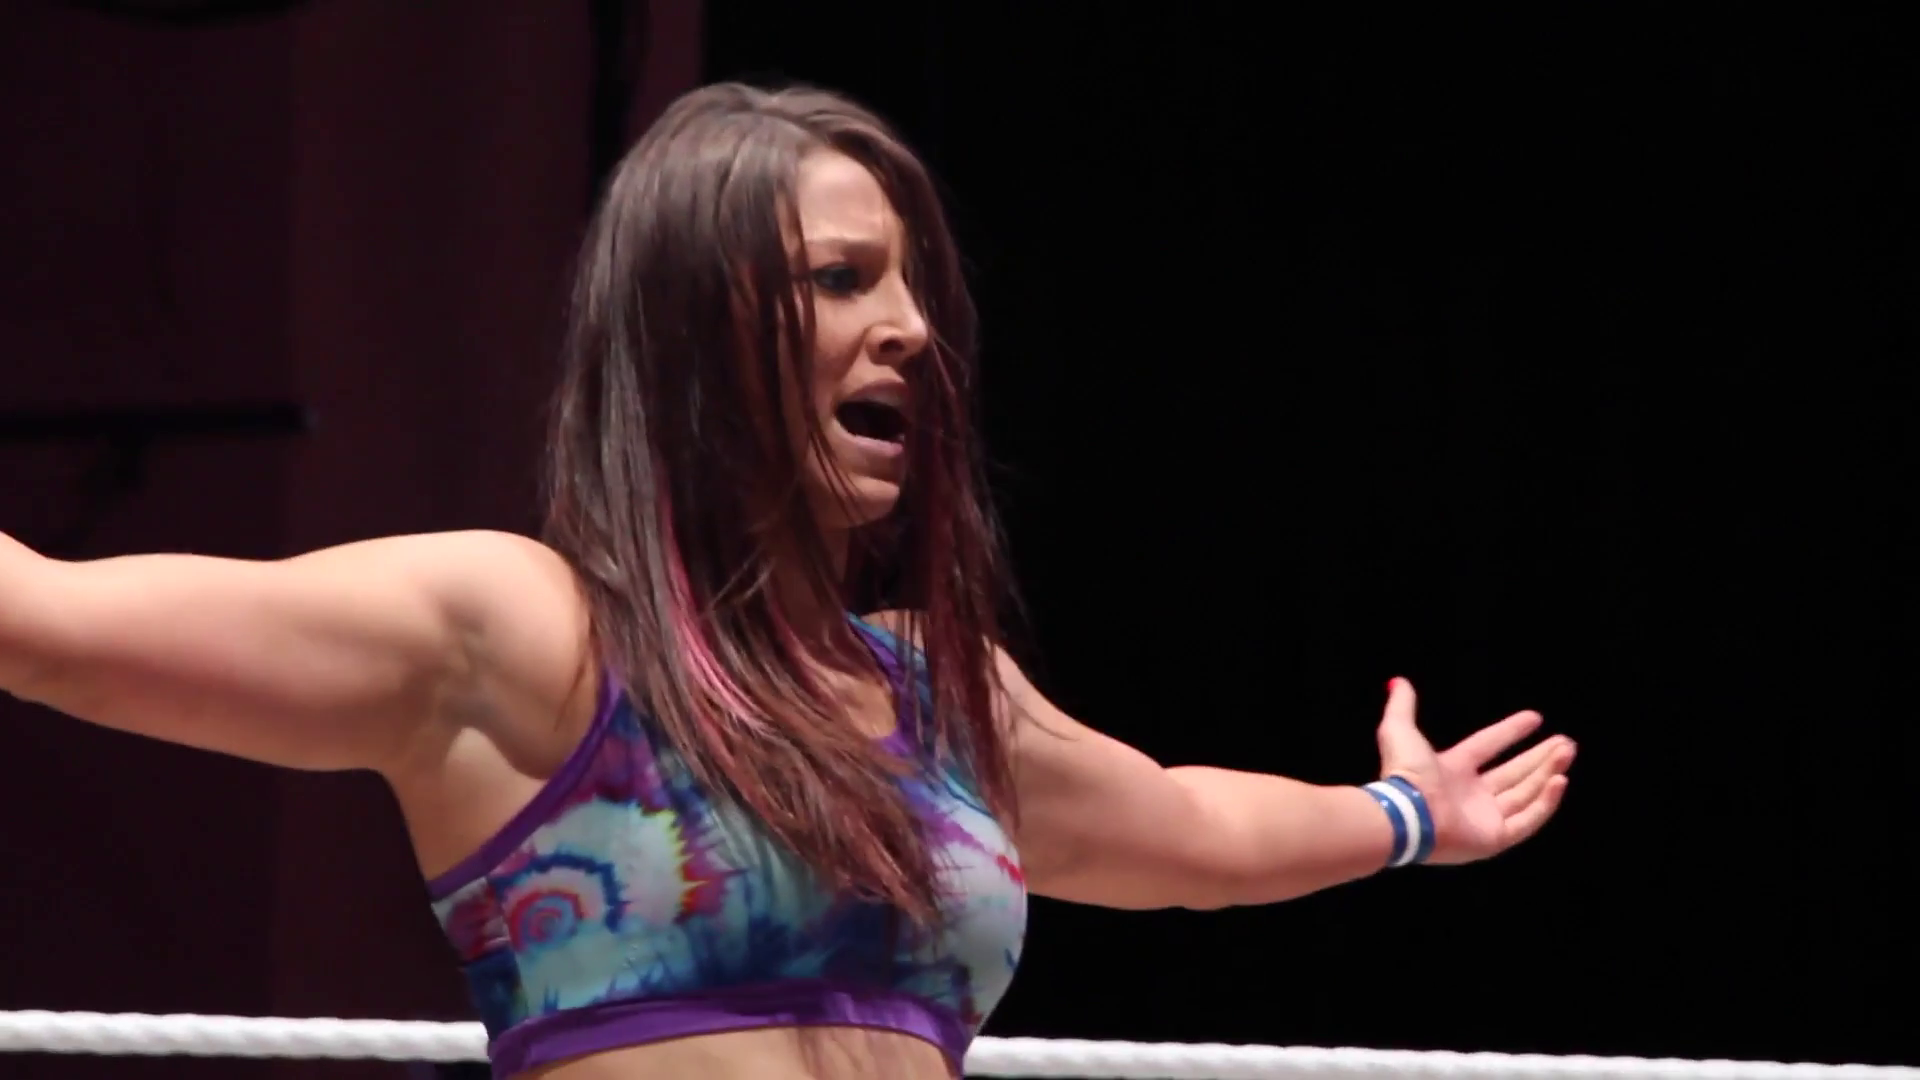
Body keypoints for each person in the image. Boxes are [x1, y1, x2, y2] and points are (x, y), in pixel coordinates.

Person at [0, 82, 1575, 1080]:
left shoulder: (936, 691)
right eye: (841, 281)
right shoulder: (524, 633)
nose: (913, 332)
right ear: (695, 332)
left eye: (914, 288)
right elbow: (48, 624)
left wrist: (1409, 816)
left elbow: (1188, 833)